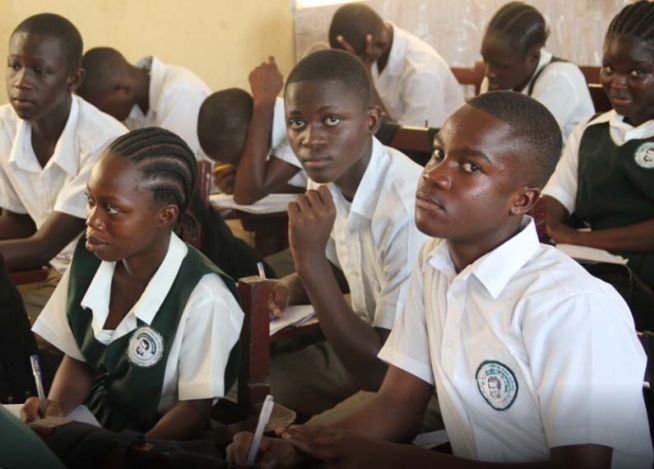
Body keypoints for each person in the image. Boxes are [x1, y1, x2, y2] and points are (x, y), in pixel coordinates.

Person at [227, 91, 653, 468]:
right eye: (437, 152)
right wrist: (298, 448)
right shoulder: (437, 261)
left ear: (521, 200)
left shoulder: (569, 305)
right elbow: (397, 402)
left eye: (469, 166)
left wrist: (392, 459)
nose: (433, 174)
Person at [21, 128, 243, 441]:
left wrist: (125, 452)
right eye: (90, 201)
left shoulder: (204, 294)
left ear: (165, 216)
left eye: (112, 208)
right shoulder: (89, 263)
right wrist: (54, 409)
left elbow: (194, 411)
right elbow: (79, 359)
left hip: (160, 440)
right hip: (96, 419)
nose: (93, 220)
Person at [267, 49, 429, 422]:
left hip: (408, 376)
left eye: (331, 119)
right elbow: (345, 267)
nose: (311, 139)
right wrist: (291, 285)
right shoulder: (330, 168)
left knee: (306, 443)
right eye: (296, 122)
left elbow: (380, 374)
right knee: (240, 389)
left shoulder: (407, 211)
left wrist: (307, 262)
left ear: (371, 121)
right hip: (356, 341)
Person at [0, 14, 127, 321]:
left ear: (73, 80)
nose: (21, 82)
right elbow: (19, 221)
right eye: (15, 66)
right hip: (56, 278)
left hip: (109, 287)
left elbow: (43, 246)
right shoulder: (5, 127)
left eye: (40, 71)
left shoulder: (103, 141)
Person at [542, 0, 654, 288]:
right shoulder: (591, 130)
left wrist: (580, 239)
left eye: (636, 73)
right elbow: (555, 199)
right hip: (593, 268)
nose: (617, 82)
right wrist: (536, 221)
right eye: (609, 68)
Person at [328, 3, 463, 128]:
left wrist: (364, 74)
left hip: (428, 149)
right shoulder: (377, 47)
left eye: (353, 61)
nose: (350, 67)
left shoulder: (422, 73)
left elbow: (411, 141)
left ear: (369, 47)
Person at [197, 56, 306, 204]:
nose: (240, 167)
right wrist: (236, 183)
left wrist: (264, 104)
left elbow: (245, 196)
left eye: (239, 160)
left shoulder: (300, 122)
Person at [480, 1, 594, 141]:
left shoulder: (559, 79)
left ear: (533, 57)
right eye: (486, 60)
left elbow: (526, 144)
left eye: (503, 66)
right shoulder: (496, 80)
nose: (489, 73)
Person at [76, 47, 210, 160]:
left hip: (212, 190)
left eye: (102, 109)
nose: (103, 115)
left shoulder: (179, 93)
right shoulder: (132, 107)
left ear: (123, 89)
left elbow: (169, 167)